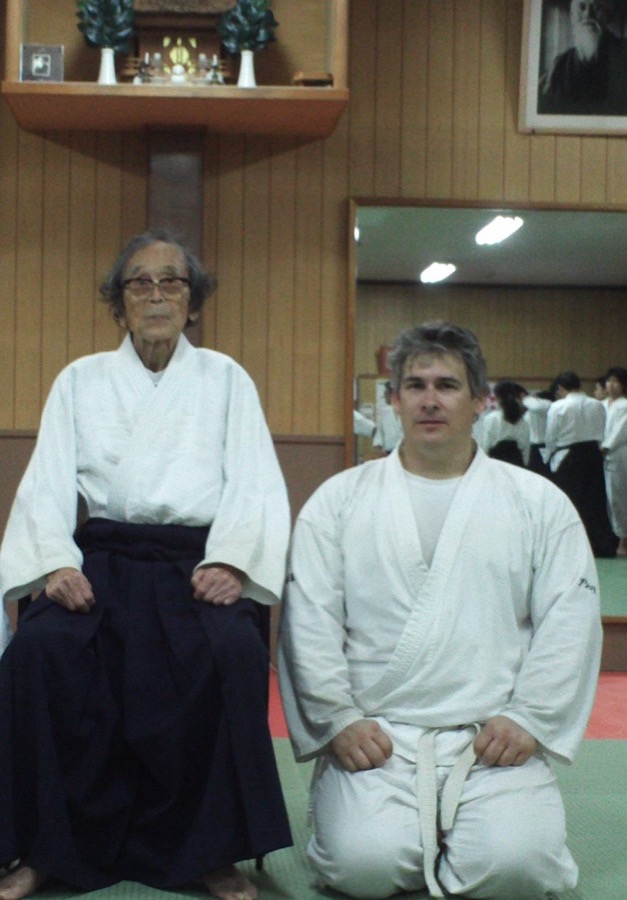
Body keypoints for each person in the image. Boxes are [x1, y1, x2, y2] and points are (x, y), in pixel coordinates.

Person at [0, 229, 292, 900]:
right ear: (118, 302)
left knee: (230, 652)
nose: (155, 295)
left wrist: (231, 562)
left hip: (195, 563)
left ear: (192, 303)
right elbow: (45, 484)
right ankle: (45, 846)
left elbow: (253, 481)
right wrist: (53, 564)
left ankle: (212, 852)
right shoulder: (80, 380)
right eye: (140, 282)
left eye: (171, 282)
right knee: (39, 651)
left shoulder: (225, 378)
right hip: (100, 559)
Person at [278, 322, 602, 900]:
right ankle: (386, 825)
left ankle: (469, 829)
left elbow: (569, 618)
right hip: (376, 736)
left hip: (493, 736)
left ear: (481, 400)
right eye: (415, 384)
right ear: (394, 399)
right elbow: (310, 618)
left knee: (517, 871)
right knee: (362, 870)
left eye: (448, 385)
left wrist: (530, 717)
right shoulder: (339, 501)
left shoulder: (538, 502)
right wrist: (337, 718)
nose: (430, 399)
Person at [544, 369, 617, 557]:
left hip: (570, 457)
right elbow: (602, 430)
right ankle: (599, 545)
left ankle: (570, 547)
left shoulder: (559, 406)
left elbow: (551, 436)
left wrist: (549, 454)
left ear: (560, 388)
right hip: (593, 455)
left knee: (570, 502)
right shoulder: (597, 405)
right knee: (595, 502)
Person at [538, 0, 627, 115]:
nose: (588, 15)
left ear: (607, 16)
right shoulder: (559, 65)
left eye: (597, 7)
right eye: (582, 6)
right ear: (572, 16)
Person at [601, 366, 627, 556]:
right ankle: (610, 536)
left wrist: (606, 446)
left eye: (616, 381)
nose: (612, 385)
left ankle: (623, 540)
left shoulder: (625, 405)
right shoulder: (601, 404)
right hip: (599, 454)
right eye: (609, 381)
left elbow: (621, 430)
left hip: (619, 453)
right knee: (607, 498)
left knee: (619, 497)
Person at [478, 379, 530, 467]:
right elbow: (525, 445)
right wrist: (525, 463)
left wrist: (481, 463)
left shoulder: (492, 418)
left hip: (496, 459)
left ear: (498, 397)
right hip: (516, 460)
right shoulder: (522, 419)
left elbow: (486, 443)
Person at [523, 387, 555, 476]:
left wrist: (525, 398)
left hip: (540, 445)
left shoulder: (546, 406)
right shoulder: (532, 412)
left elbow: (535, 405)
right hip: (536, 446)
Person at [372, 381, 403, 455]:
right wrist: (378, 447)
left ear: (393, 395)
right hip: (388, 452)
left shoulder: (408, 411)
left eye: (386, 393)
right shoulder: (384, 413)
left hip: (405, 453)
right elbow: (379, 434)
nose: (384, 396)